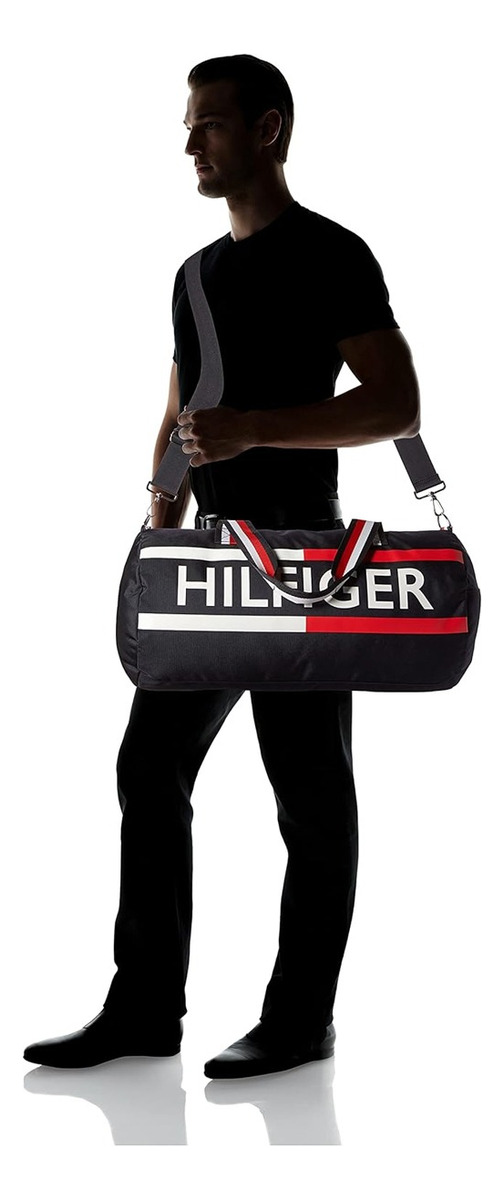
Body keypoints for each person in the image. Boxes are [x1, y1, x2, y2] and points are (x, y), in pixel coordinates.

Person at [24, 54, 420, 1078]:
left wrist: (258, 429)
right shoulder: (195, 275)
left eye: (207, 124)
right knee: (147, 767)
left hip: (302, 563)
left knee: (309, 793)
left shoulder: (333, 253)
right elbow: (182, 409)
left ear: (268, 129)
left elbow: (397, 404)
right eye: (188, 126)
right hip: (208, 562)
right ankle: (145, 1009)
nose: (190, 143)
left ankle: (300, 1021)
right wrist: (164, 502)